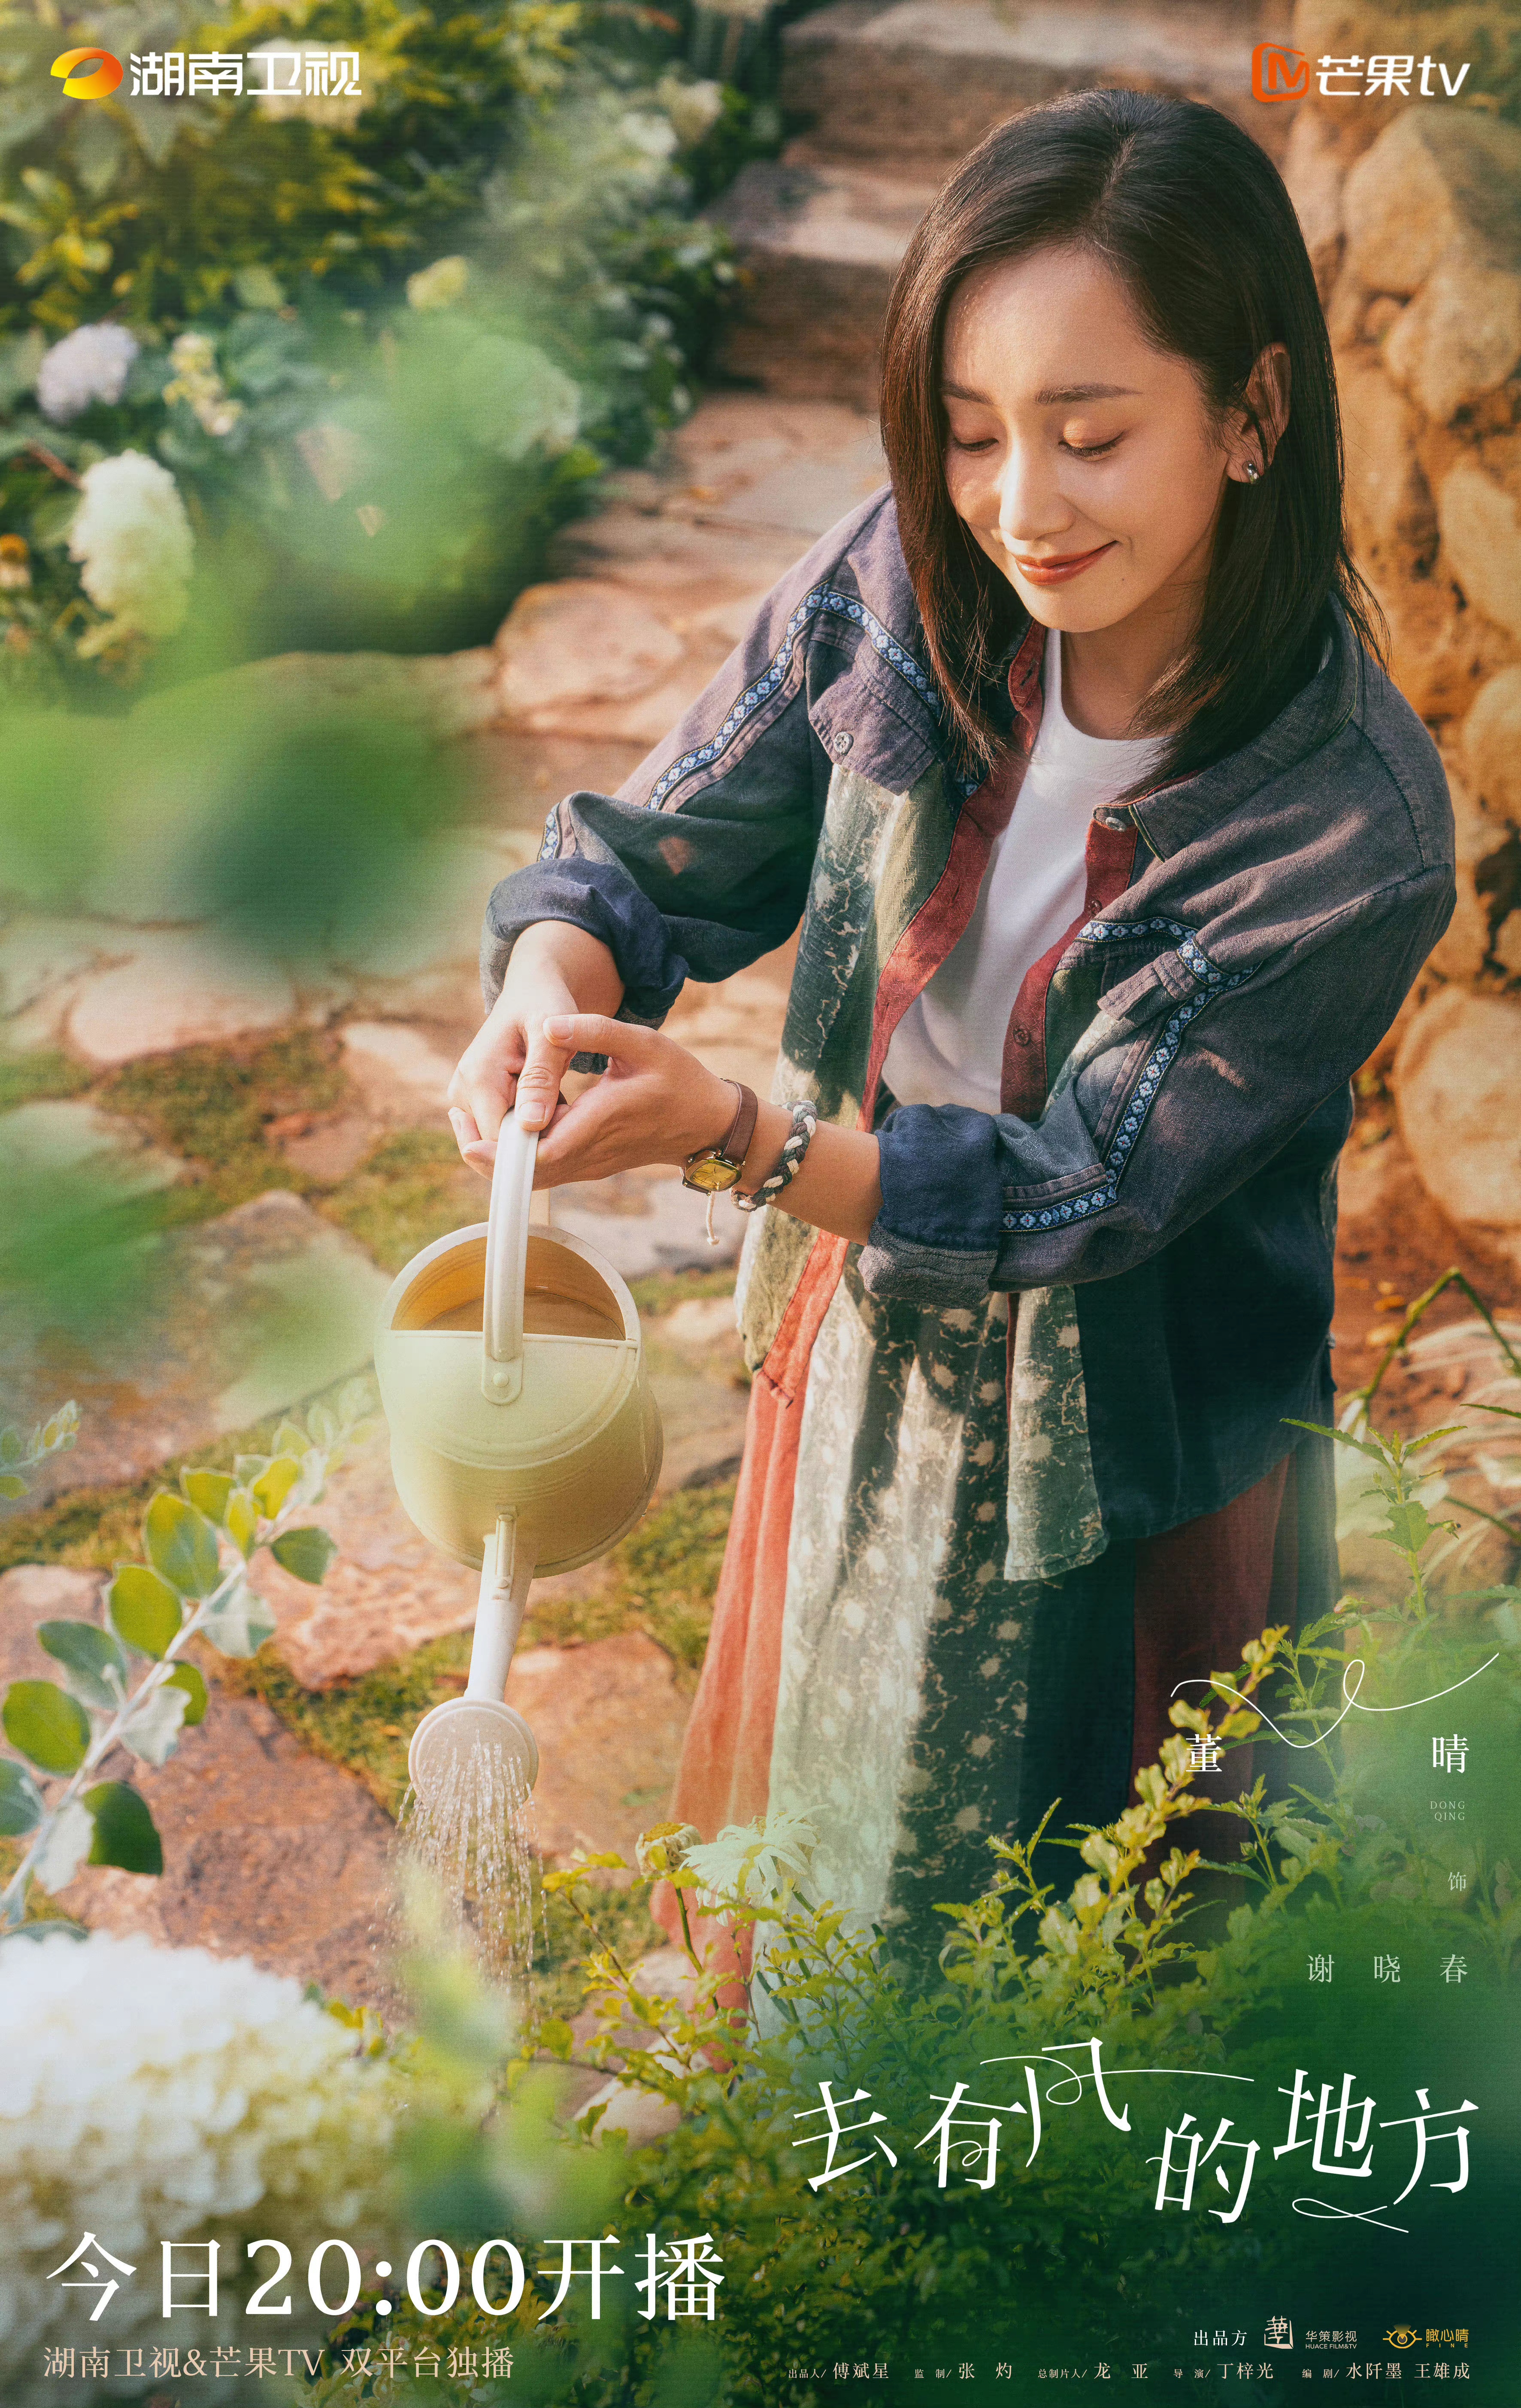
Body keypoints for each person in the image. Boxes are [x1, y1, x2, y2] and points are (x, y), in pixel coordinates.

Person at [447, 89, 1455, 2008]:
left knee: (1090, 1895)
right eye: (971, 433)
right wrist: (553, 973)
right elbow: (666, 847)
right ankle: (825, 2134)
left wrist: (745, 1134)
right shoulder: (908, 574)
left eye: (1091, 437)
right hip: (866, 1308)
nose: (1017, 507)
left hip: (1137, 1406)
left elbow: (1087, 1180)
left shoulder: (1348, 826)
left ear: (1253, 413)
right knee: (838, 1788)